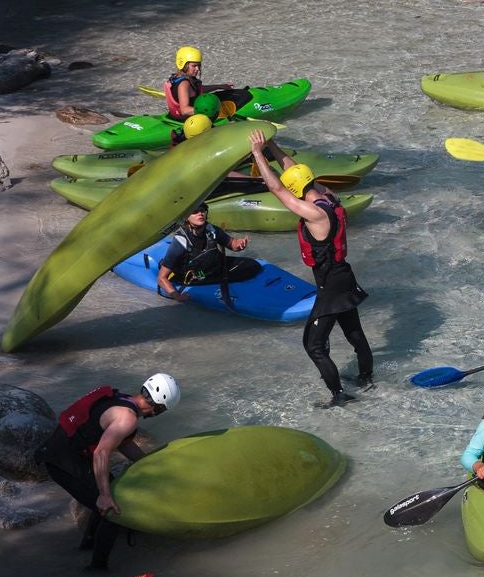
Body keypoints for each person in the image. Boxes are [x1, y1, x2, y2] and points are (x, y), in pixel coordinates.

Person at [248, 130, 374, 407]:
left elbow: (278, 189)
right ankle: (367, 378)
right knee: (355, 334)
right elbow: (292, 170)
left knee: (314, 345)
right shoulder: (327, 196)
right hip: (343, 276)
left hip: (330, 285)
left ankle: (338, 395)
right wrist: (271, 144)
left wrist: (257, 154)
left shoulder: (314, 214)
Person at [35, 374, 179, 571]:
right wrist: (104, 495)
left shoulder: (123, 400)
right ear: (160, 407)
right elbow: (102, 452)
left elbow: (122, 444)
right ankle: (97, 569)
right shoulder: (128, 418)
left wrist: (148, 463)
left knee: (108, 496)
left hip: (61, 453)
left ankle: (87, 545)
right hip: (62, 462)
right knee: (112, 509)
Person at [156, 201, 262, 308]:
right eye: (195, 212)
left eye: (202, 211)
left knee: (252, 264)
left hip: (213, 267)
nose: (200, 214)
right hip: (194, 276)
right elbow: (161, 278)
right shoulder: (180, 242)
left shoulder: (212, 230)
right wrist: (177, 296)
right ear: (186, 218)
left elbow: (232, 244)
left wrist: (240, 244)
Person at [163, 46, 251, 123]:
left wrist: (219, 86)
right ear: (183, 64)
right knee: (244, 96)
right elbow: (185, 110)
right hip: (187, 120)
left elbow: (195, 91)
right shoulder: (184, 84)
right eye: (194, 66)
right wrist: (209, 111)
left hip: (175, 116)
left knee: (230, 93)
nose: (197, 69)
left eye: (199, 65)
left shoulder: (176, 78)